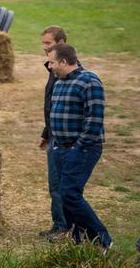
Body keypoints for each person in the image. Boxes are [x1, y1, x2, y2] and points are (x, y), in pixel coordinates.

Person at [47, 43, 112, 251]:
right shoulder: (59, 82)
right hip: (60, 148)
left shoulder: (89, 81)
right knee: (66, 196)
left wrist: (79, 146)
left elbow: (95, 118)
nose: (49, 66)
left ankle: (103, 240)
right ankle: (80, 240)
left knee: (69, 194)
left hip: (83, 148)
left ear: (64, 62)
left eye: (52, 62)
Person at [38, 25, 69, 239]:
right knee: (55, 184)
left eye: (48, 43)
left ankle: (63, 227)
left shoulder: (66, 72)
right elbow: (52, 106)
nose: (44, 48)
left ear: (62, 43)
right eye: (44, 44)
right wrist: (46, 132)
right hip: (53, 133)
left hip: (64, 137)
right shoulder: (53, 69)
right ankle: (60, 224)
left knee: (59, 184)